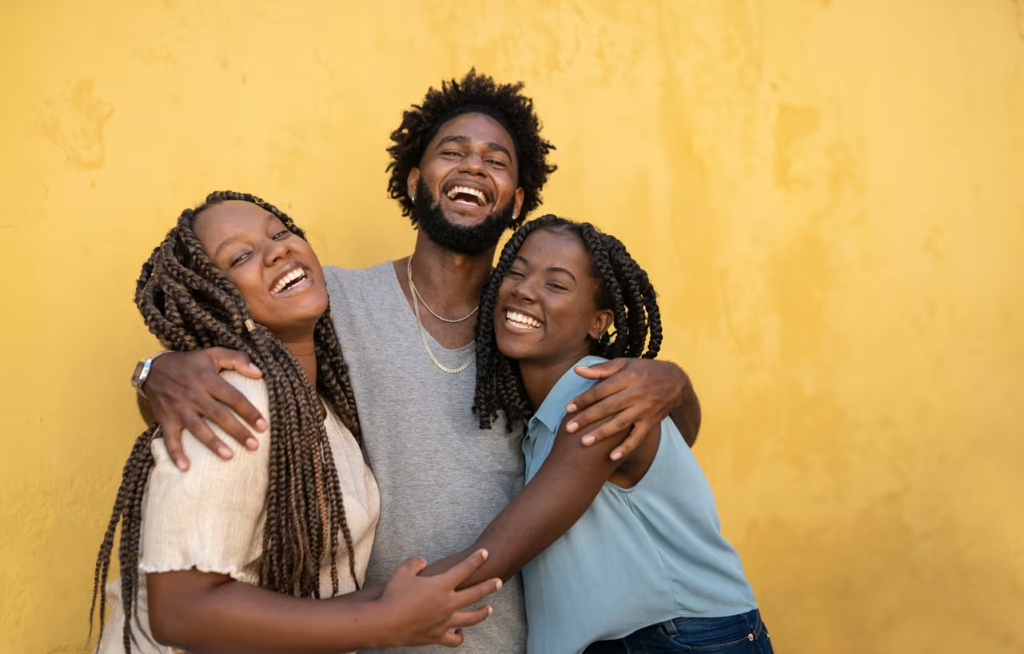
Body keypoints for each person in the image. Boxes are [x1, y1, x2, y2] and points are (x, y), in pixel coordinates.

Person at [137, 71, 702, 653]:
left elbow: (647, 435)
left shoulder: (528, 326)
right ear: (414, 183)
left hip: (505, 641)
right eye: (452, 152)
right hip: (374, 636)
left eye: (496, 160)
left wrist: (674, 384)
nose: (474, 165)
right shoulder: (328, 301)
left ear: (517, 203)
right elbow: (230, 358)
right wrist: (155, 373)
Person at [91, 192, 501, 653]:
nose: (278, 250)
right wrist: (381, 620)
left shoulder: (316, 406)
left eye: (280, 233)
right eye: (240, 256)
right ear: (210, 299)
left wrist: (396, 606)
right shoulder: (234, 401)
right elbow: (179, 609)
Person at [422, 215, 773, 654]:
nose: (525, 290)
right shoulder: (548, 415)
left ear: (597, 321)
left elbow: (493, 558)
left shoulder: (600, 402)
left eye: (557, 285)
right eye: (516, 272)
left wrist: (358, 614)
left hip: (680, 640)